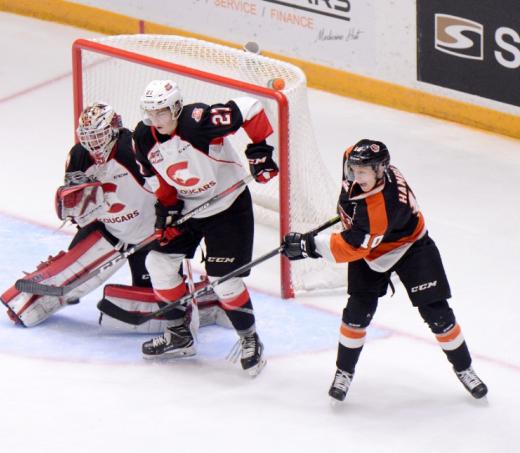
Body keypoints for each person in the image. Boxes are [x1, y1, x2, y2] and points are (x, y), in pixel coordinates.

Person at [282, 139, 488, 401]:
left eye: (363, 172)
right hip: (371, 242)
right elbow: (352, 171)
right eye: (353, 170)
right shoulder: (359, 168)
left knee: (438, 314)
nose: (356, 177)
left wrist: (307, 245)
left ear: (380, 170)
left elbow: (355, 247)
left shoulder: (382, 208)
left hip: (409, 246)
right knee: (356, 313)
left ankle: (464, 368)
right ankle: (343, 372)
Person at [132, 79, 279, 376]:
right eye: (150, 112)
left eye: (161, 111)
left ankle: (250, 339)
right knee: (158, 263)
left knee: (223, 280)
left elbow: (250, 107)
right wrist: (168, 209)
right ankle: (179, 335)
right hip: (189, 208)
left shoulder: (198, 121)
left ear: (175, 107)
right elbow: (159, 179)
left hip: (229, 206)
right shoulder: (144, 138)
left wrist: (260, 149)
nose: (155, 119)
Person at [1, 102, 158, 326]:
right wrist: (78, 213)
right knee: (69, 267)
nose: (92, 144)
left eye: (98, 135)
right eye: (87, 136)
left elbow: (164, 189)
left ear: (114, 129)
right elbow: (76, 203)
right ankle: (28, 305)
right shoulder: (78, 156)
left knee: (154, 291)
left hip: (149, 232)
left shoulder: (132, 149)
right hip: (108, 228)